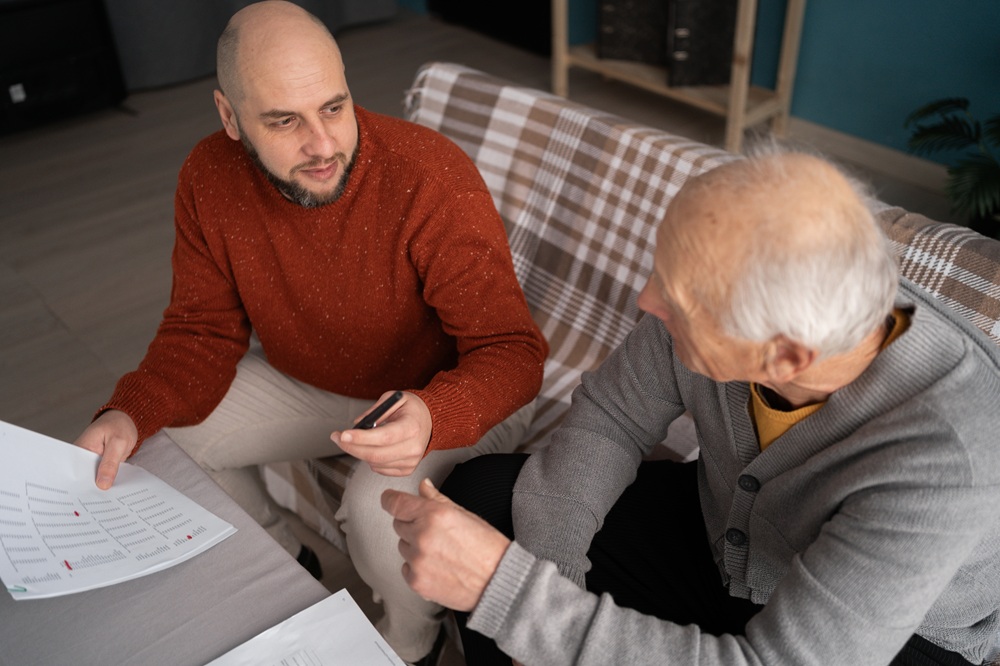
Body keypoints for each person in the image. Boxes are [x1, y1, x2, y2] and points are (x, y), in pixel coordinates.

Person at [383, 148, 1000, 665]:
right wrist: (547, 589)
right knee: (485, 499)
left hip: (891, 636)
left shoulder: (952, 457)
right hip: (727, 536)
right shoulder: (724, 278)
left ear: (786, 360)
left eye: (676, 301)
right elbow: (611, 420)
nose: (648, 299)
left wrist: (514, 598)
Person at [73, 2, 547, 664]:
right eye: (284, 120)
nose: (322, 144)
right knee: (160, 440)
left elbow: (514, 354)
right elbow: (200, 331)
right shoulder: (207, 178)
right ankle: (280, 554)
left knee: (380, 522)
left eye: (333, 106)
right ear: (230, 117)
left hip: (446, 387)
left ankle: (411, 642)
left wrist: (436, 414)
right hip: (321, 382)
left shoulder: (428, 175)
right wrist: (131, 410)